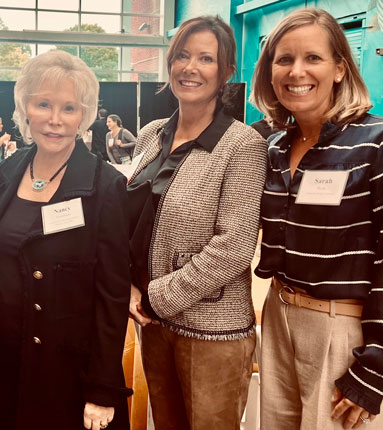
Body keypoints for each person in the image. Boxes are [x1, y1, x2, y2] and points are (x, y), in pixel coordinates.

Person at [0, 49, 132, 430]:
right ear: (25, 108)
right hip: (4, 365)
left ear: (84, 116)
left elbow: (113, 295)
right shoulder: (11, 169)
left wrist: (102, 388)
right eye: (43, 104)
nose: (54, 120)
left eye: (68, 108)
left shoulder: (104, 186)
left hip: (67, 372)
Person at [127, 16, 268, 429]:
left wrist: (155, 297)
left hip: (212, 332)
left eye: (206, 58)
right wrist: (130, 287)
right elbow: (133, 221)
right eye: (183, 56)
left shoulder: (242, 144)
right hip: (152, 325)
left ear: (226, 71)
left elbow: (234, 246)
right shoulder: (151, 134)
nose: (191, 68)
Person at [251, 8, 383, 430]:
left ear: (339, 69)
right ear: (269, 72)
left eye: (313, 58)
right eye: (284, 59)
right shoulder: (272, 147)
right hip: (278, 316)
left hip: (343, 331)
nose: (297, 71)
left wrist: (377, 363)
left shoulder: (377, 142)